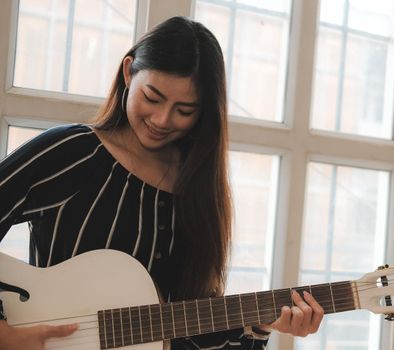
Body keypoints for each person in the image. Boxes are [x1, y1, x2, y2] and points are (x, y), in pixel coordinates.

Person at [0, 16, 324, 349]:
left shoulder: (195, 190)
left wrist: (259, 325)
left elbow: (188, 336)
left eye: (184, 110)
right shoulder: (71, 152)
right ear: (128, 72)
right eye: (153, 98)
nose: (162, 120)